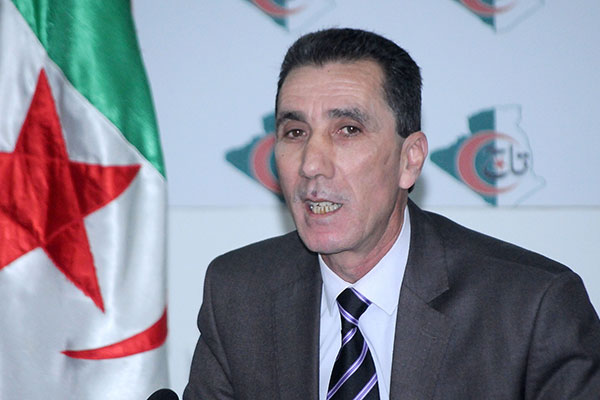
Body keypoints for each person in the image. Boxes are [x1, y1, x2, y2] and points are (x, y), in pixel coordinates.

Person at [184, 28, 600, 399]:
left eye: (347, 130)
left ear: (410, 159)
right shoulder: (239, 294)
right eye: (295, 132)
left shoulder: (532, 307)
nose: (311, 164)